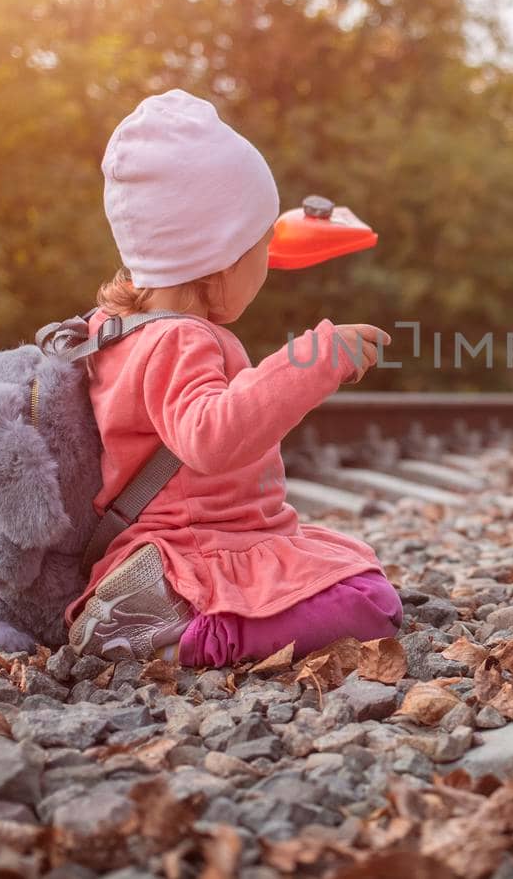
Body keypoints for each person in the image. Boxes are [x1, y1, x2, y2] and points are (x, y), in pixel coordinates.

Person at [65, 89, 399, 666]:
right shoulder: (180, 338)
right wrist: (311, 360)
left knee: (347, 559)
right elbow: (210, 436)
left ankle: (159, 611)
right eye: (261, 246)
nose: (268, 262)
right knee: (370, 600)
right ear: (220, 258)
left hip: (188, 541)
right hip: (198, 547)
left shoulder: (114, 329)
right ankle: (182, 637)